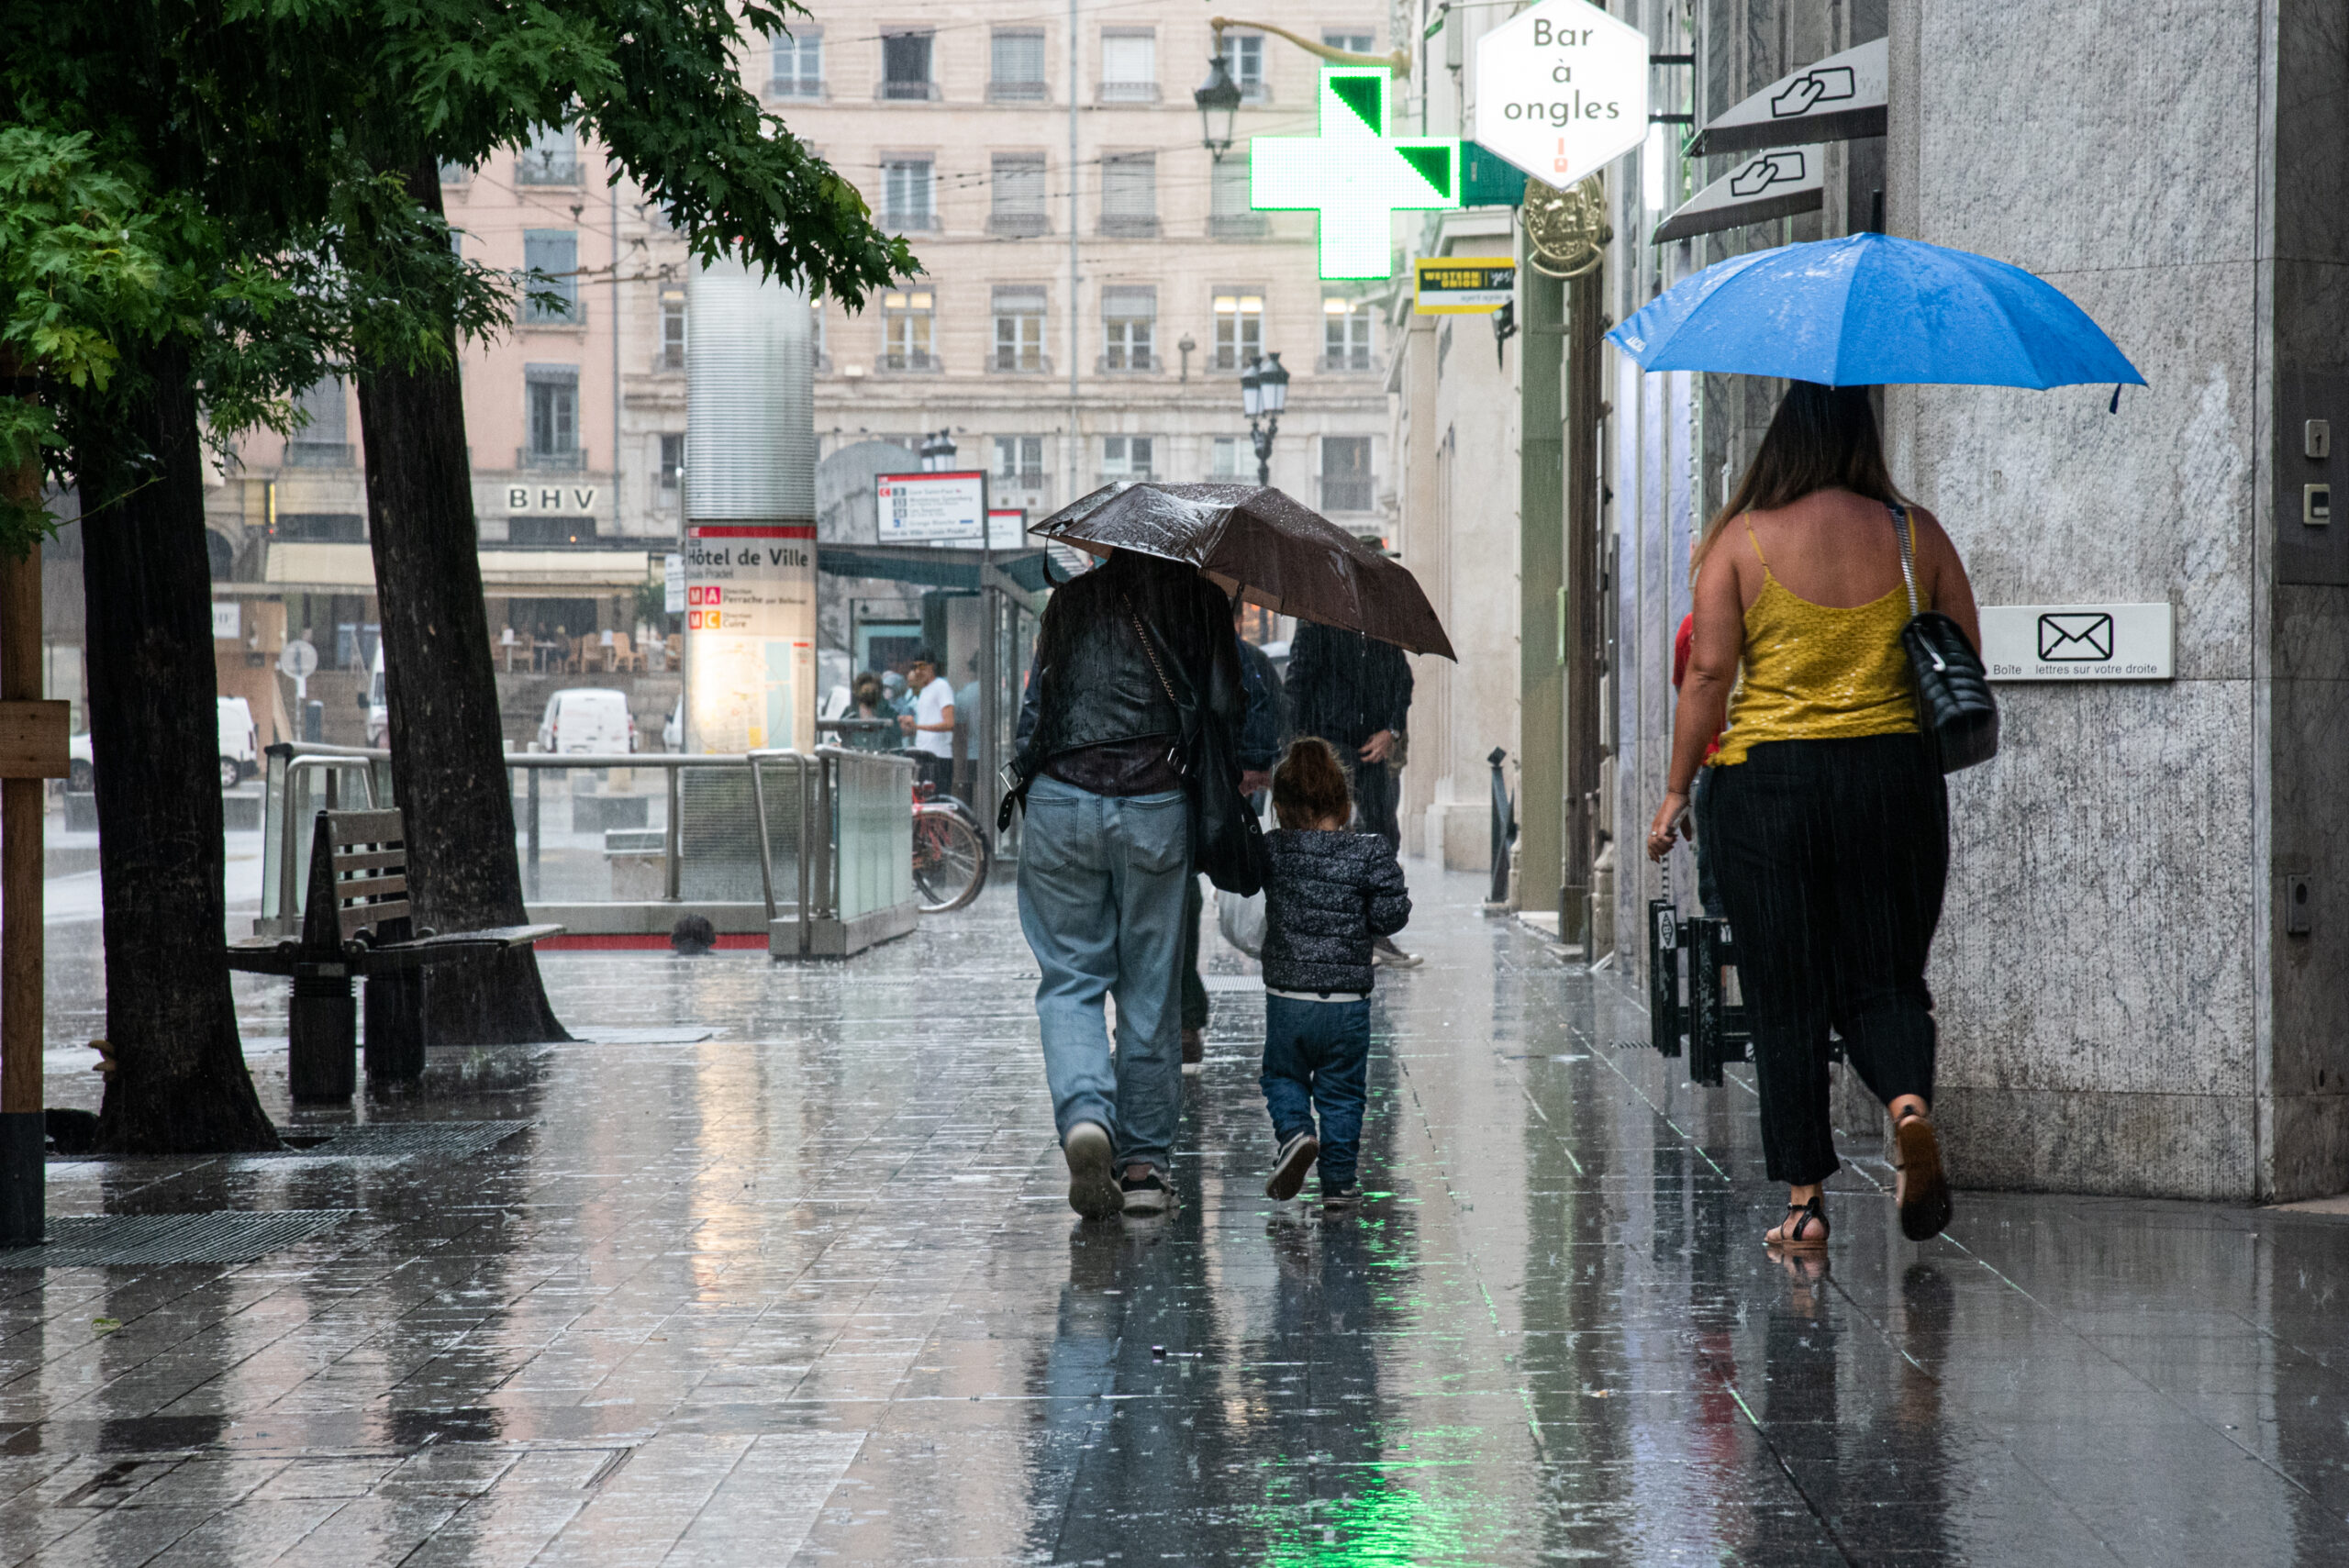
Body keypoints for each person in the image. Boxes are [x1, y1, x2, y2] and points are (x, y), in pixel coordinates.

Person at [1646, 381, 1978, 1251]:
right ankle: (1906, 1105)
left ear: (1780, 442)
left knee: (1786, 992)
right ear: (1861, 437)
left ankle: (1804, 1200)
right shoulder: (1916, 533)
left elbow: (1709, 676)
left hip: (1769, 790)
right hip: (1894, 781)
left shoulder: (1740, 540)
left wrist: (1678, 788)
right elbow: (1966, 653)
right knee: (1886, 975)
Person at [1012, 549, 1246, 1219]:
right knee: (1151, 988)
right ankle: (1143, 1168)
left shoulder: (1070, 600)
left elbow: (1037, 712)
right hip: (1154, 799)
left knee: (1070, 979)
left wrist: (1046, 803)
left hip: (1060, 794)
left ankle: (1087, 1114)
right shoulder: (1198, 600)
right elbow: (1231, 707)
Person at [1256, 738, 1411, 1212]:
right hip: (1346, 1004)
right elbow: (1391, 918)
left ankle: (1297, 1134)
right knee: (1343, 1092)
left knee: (1283, 1077)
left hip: (1288, 1000)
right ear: (1345, 804)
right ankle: (1339, 1182)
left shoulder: (1273, 851)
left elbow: (1241, 875)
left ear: (1279, 807)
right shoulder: (1369, 852)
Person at [1176, 603, 1288, 1074]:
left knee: (1178, 900)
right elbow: (1272, 722)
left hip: (1179, 798)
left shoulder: (1178, 659)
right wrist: (1251, 766)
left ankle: (1179, 1017)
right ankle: (1184, 1019)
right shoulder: (1250, 662)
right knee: (1227, 883)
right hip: (1226, 804)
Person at [1284, 623, 1419, 967]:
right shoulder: (1316, 620)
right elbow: (1297, 685)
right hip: (1328, 745)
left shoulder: (1380, 623)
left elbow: (1403, 682)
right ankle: (1341, 933)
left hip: (1372, 748)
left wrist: (1391, 729)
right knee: (1330, 841)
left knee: (1382, 836)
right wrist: (1300, 751)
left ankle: (1374, 933)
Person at [898, 649, 956, 797]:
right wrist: (910, 726)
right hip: (923, 755)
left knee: (938, 804)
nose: (918, 671)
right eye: (915, 667)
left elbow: (949, 723)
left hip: (939, 756)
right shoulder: (924, 691)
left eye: (922, 666)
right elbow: (925, 724)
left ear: (931, 666)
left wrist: (918, 727)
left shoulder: (941, 686)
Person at [842, 672, 895, 753]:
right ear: (857, 691)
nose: (869, 695)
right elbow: (838, 735)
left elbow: (895, 744)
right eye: (866, 691)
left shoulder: (888, 714)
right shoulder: (849, 712)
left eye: (873, 691)